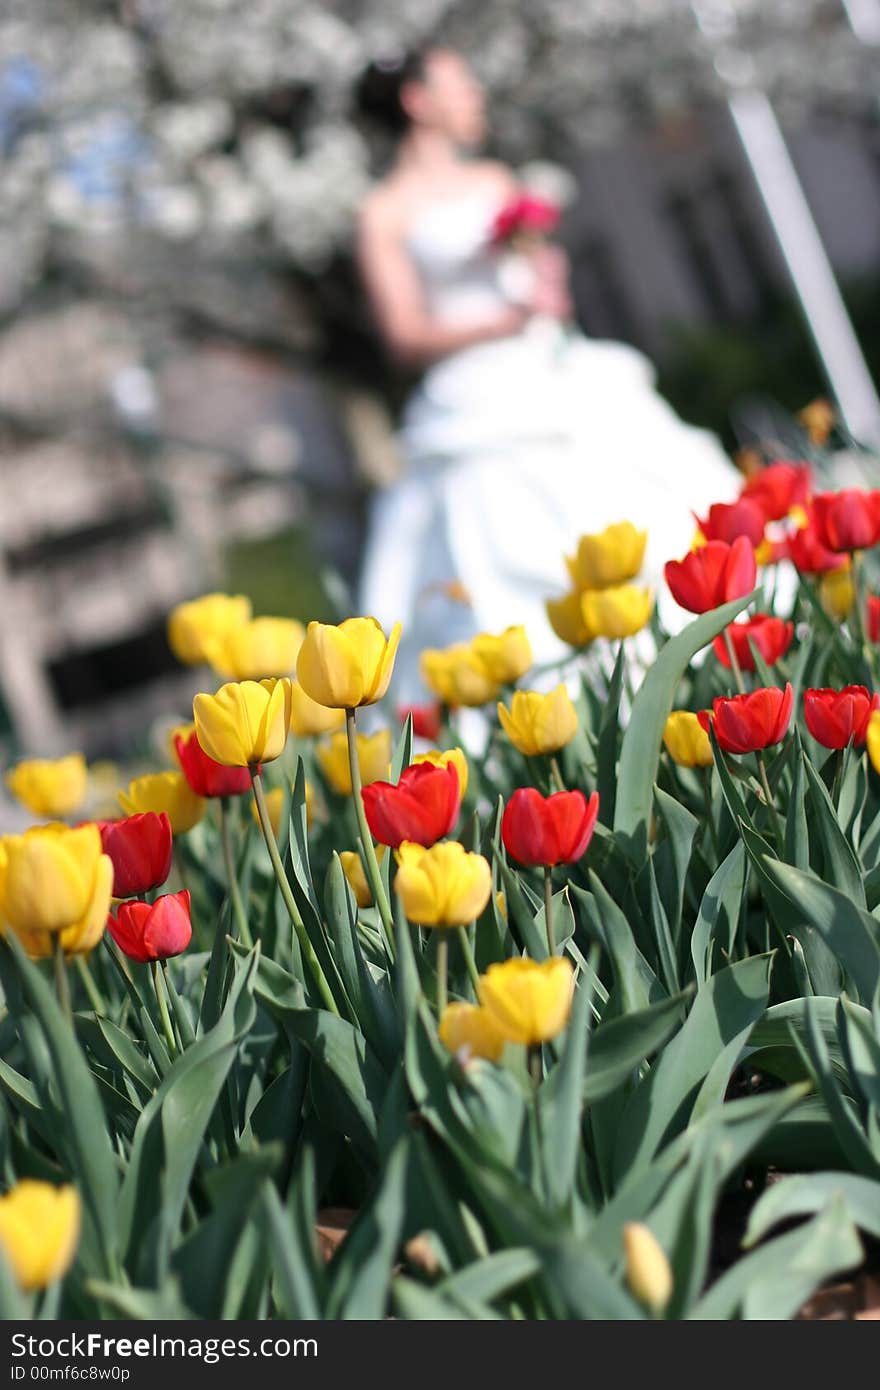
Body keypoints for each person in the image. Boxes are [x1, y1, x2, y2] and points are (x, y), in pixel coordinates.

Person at [355, 47, 742, 701]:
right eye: (460, 85)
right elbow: (405, 334)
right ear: (416, 102)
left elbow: (538, 282)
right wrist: (502, 320)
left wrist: (546, 291)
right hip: (472, 397)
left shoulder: (496, 179)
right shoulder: (383, 213)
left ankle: (692, 660)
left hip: (550, 369)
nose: (476, 95)